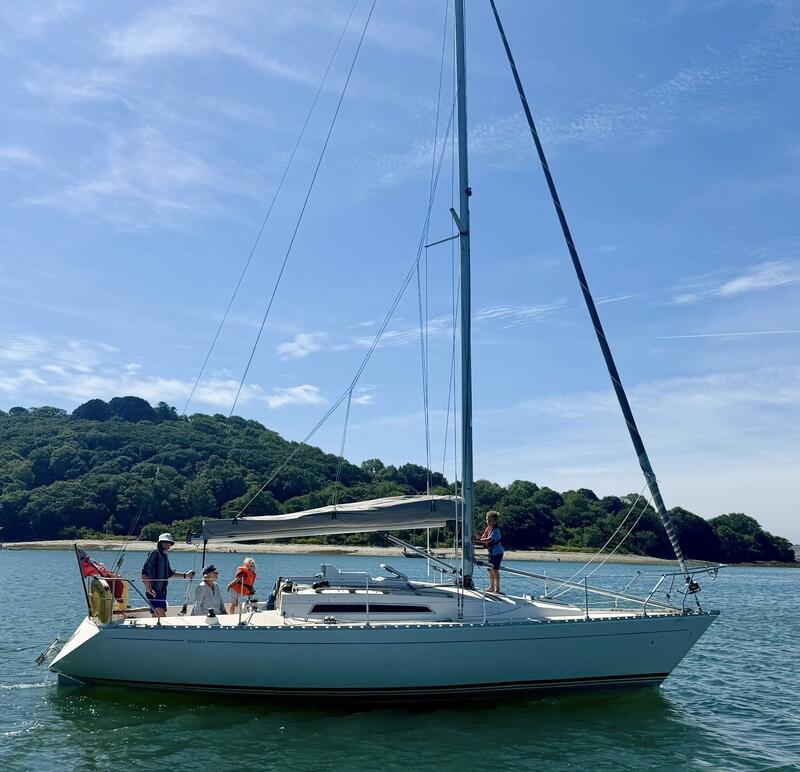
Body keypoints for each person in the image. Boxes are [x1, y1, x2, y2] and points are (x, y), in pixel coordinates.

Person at [141, 532, 195, 617]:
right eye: (165, 542)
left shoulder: (165, 555)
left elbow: (169, 573)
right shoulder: (154, 553)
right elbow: (145, 571)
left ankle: (154, 625)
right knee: (161, 614)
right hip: (153, 590)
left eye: (169, 542)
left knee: (156, 614)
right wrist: (148, 588)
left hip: (162, 591)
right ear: (160, 543)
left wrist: (186, 575)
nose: (167, 544)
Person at [474, 511, 504, 593]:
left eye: (490, 520)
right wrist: (474, 533)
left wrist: (476, 540)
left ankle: (497, 588)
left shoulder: (496, 530)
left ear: (495, 521)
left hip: (498, 553)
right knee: (489, 570)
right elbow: (481, 538)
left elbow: (488, 540)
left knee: (495, 570)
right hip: (491, 553)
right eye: (487, 519)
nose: (488, 521)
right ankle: (491, 587)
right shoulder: (488, 529)